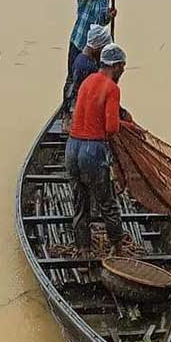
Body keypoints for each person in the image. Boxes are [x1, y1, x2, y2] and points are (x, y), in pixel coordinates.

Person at [66, 43, 130, 255]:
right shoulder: (112, 88)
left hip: (72, 148)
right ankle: (118, 248)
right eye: (122, 67)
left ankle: (83, 250)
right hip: (92, 151)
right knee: (107, 203)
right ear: (116, 66)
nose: (122, 72)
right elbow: (111, 128)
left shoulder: (87, 81)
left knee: (80, 202)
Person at [67, 0, 117, 80]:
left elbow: (101, 22)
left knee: (89, 77)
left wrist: (109, 16)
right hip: (79, 43)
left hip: (94, 48)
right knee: (73, 76)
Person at [61, 24, 111, 114]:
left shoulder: (80, 58)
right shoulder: (89, 68)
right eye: (103, 49)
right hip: (81, 110)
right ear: (96, 48)